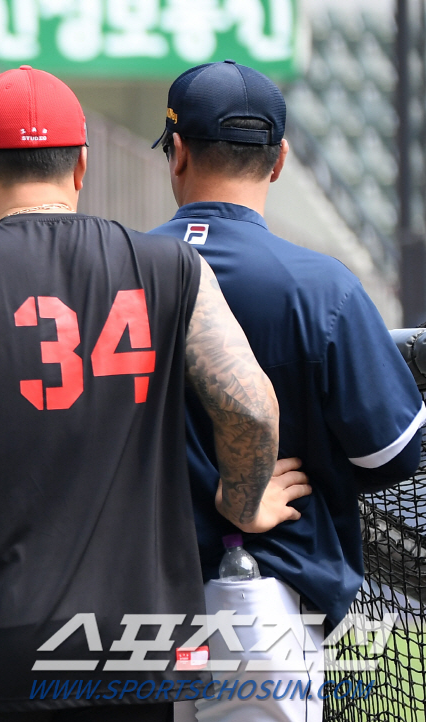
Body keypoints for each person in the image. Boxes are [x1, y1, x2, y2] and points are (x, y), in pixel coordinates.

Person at [0, 65, 291, 721]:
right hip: (135, 651)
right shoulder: (173, 266)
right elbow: (251, 406)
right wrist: (244, 498)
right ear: (82, 166)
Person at [149, 61, 425, 722]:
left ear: (178, 150)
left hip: (122, 593)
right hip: (263, 601)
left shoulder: (111, 274)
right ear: (279, 161)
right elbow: (392, 456)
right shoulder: (321, 286)